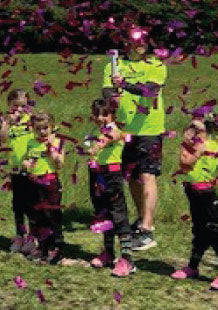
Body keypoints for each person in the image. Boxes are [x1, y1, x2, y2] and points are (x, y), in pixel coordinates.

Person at [103, 29, 167, 250]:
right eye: (135, 42)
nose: (140, 46)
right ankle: (141, 219)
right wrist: (113, 96)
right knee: (132, 177)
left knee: (148, 175)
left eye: (143, 42)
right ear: (127, 43)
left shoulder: (156, 65)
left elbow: (150, 91)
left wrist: (125, 85)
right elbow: (106, 93)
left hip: (150, 128)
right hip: (124, 129)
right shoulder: (114, 65)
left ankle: (148, 229)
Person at [171, 113, 218, 290]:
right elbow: (186, 163)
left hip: (206, 193)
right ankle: (193, 266)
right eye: (190, 129)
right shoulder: (193, 145)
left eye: (196, 130)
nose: (191, 133)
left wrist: (188, 144)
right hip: (193, 192)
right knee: (199, 229)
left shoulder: (206, 145)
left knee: (214, 230)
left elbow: (186, 162)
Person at [84, 98, 136, 278]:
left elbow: (110, 137)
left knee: (118, 214)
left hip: (111, 176)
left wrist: (97, 146)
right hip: (97, 175)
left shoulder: (115, 130)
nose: (100, 118)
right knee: (103, 213)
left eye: (104, 114)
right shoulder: (94, 131)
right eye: (97, 114)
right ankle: (108, 253)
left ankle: (127, 258)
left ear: (112, 115)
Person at [23, 111, 65, 264]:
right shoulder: (32, 143)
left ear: (52, 127)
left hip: (50, 182)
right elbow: (27, 160)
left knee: (52, 214)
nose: (42, 132)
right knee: (37, 214)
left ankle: (56, 247)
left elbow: (60, 164)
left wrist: (52, 150)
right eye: (38, 129)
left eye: (45, 128)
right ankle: (42, 246)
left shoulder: (57, 142)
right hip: (34, 182)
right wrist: (26, 164)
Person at [0, 89, 35, 254]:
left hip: (31, 169)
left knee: (32, 204)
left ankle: (33, 237)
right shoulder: (5, 121)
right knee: (18, 205)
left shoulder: (32, 120)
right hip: (15, 170)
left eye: (23, 106)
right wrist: (7, 123)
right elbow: (2, 140)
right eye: (15, 106)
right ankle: (20, 235)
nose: (19, 110)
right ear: (9, 105)